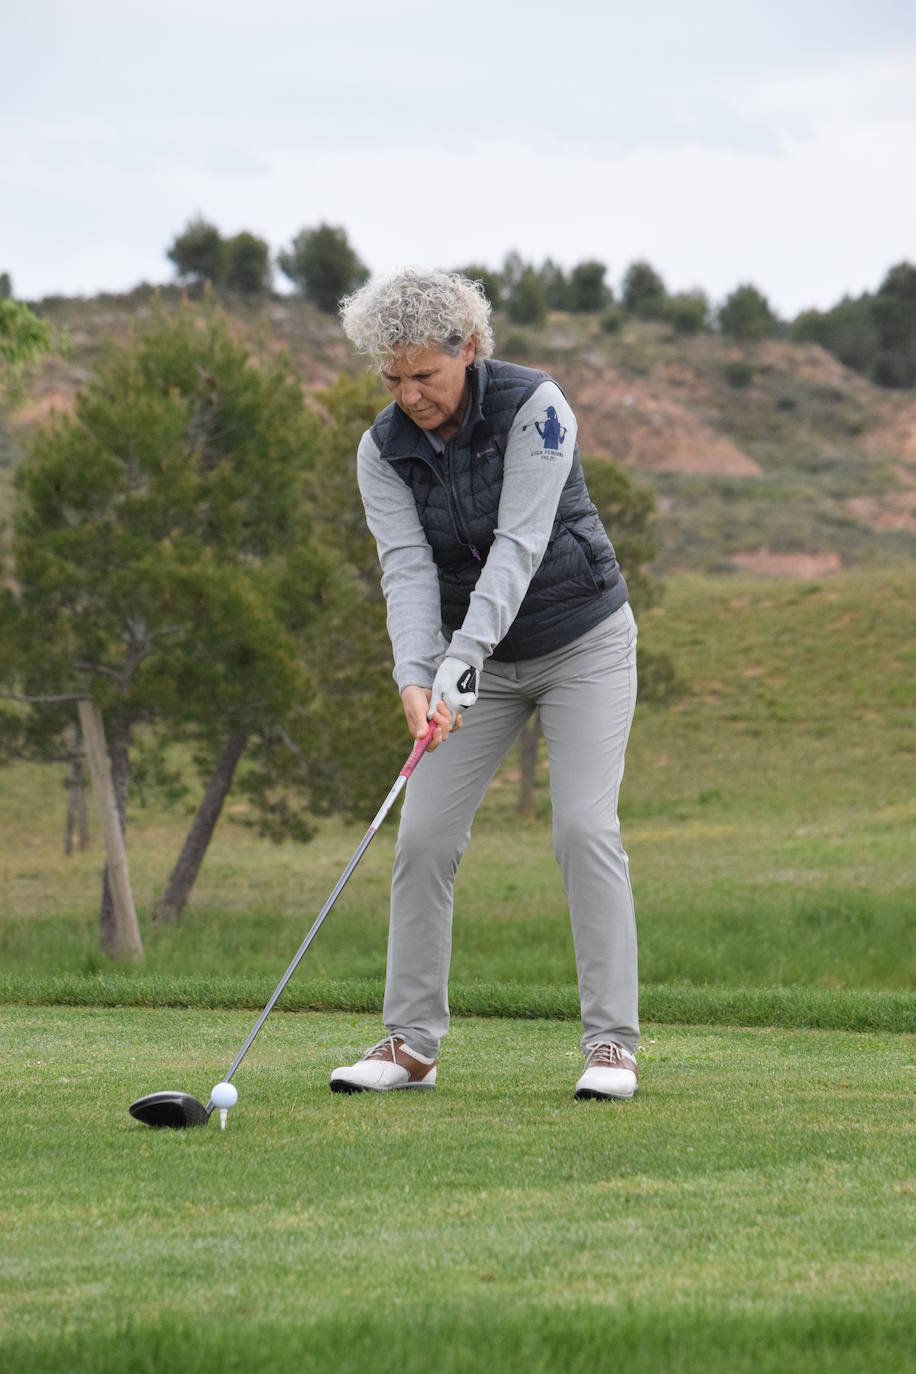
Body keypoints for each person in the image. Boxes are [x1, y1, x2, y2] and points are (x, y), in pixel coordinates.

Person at [330, 269, 639, 1101]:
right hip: (481, 665)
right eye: (392, 378)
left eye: (424, 375)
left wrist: (455, 663)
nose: (409, 395)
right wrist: (415, 676)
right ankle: (410, 1044)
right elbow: (406, 569)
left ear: (467, 349)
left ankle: (612, 1046)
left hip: (584, 642)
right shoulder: (381, 450)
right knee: (424, 837)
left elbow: (520, 544)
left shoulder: (537, 408)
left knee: (582, 828)